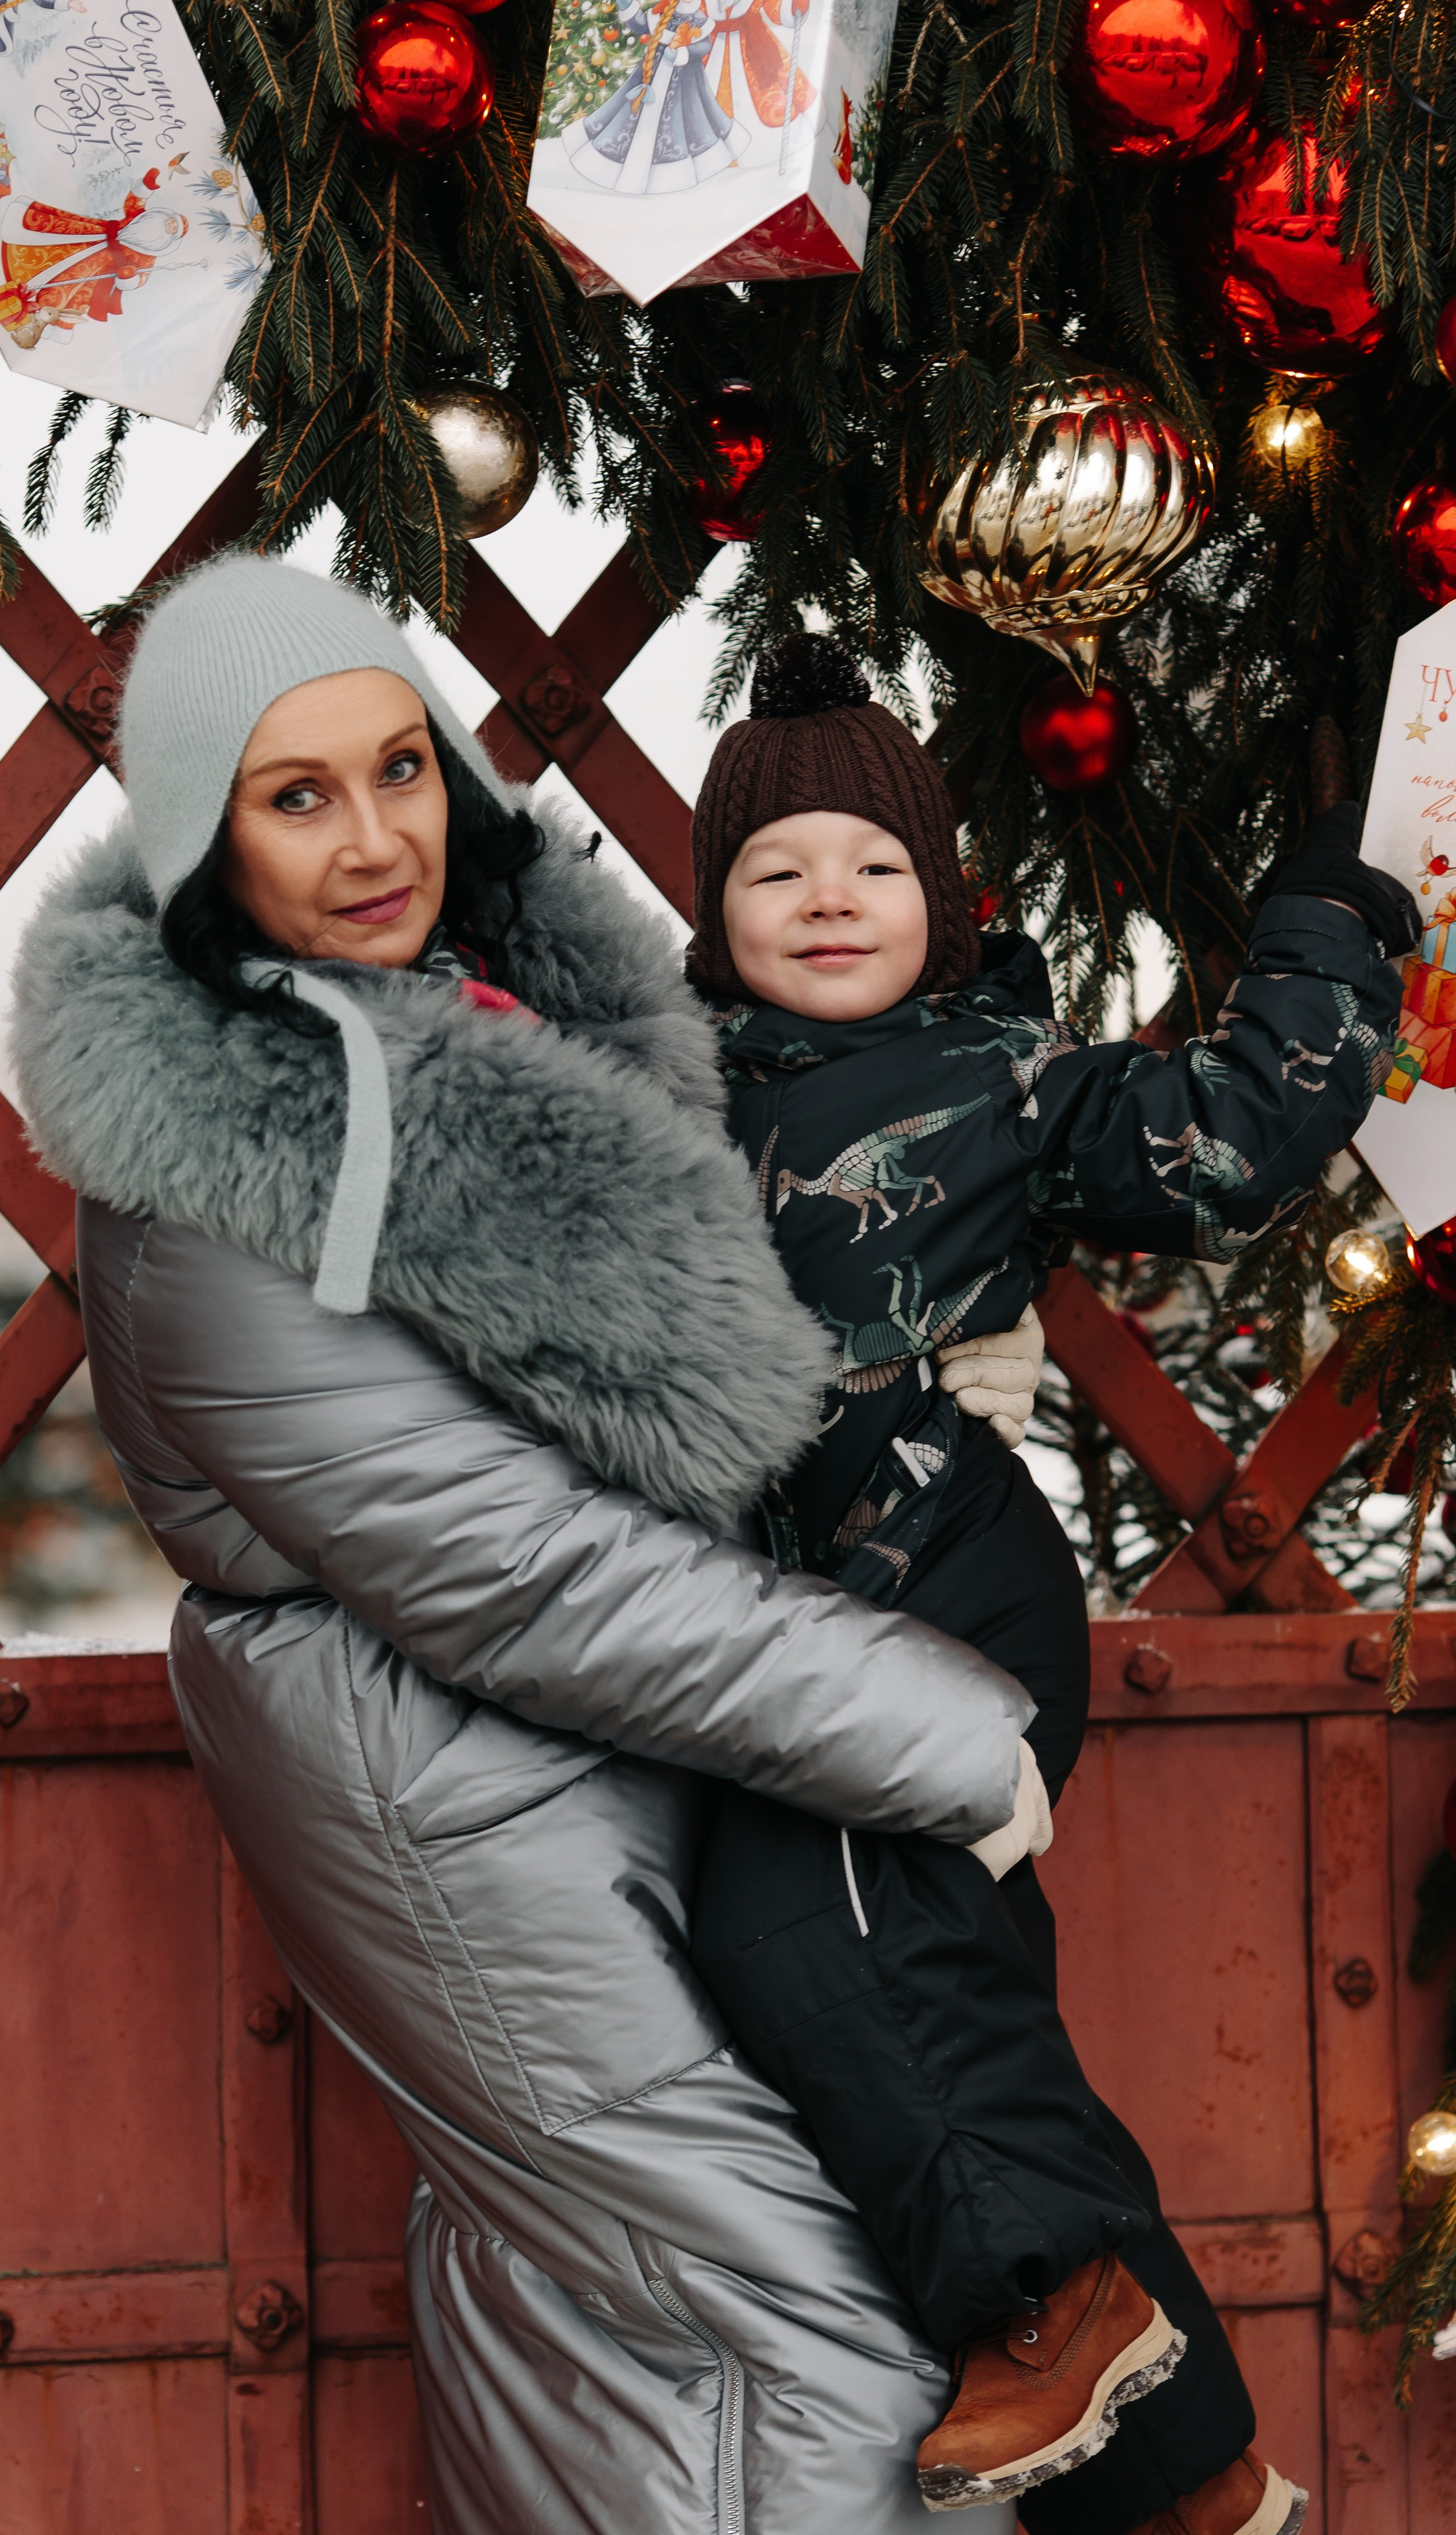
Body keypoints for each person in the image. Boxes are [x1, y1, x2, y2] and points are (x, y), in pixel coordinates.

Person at [10, 554, 1053, 2534]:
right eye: (294, 795)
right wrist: (946, 1734)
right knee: (804, 2334)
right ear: (197, 837)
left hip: (564, 1787)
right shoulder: (216, 1179)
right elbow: (517, 1566)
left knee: (601, 2315)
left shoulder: (484, 1038)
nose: (378, 837)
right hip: (459, 1815)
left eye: (400, 768)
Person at [681, 633, 1417, 2535]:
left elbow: (1244, 1138)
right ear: (712, 918)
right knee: (950, 2001)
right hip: (774, 1619)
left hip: (940, 1559)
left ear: (946, 897)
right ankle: (1191, 2483)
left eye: (874, 865)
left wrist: (1331, 924)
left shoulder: (1001, 1075)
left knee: (801, 1907)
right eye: (777, 871)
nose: (830, 899)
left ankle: (1046, 2305)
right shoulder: (659, 1099)